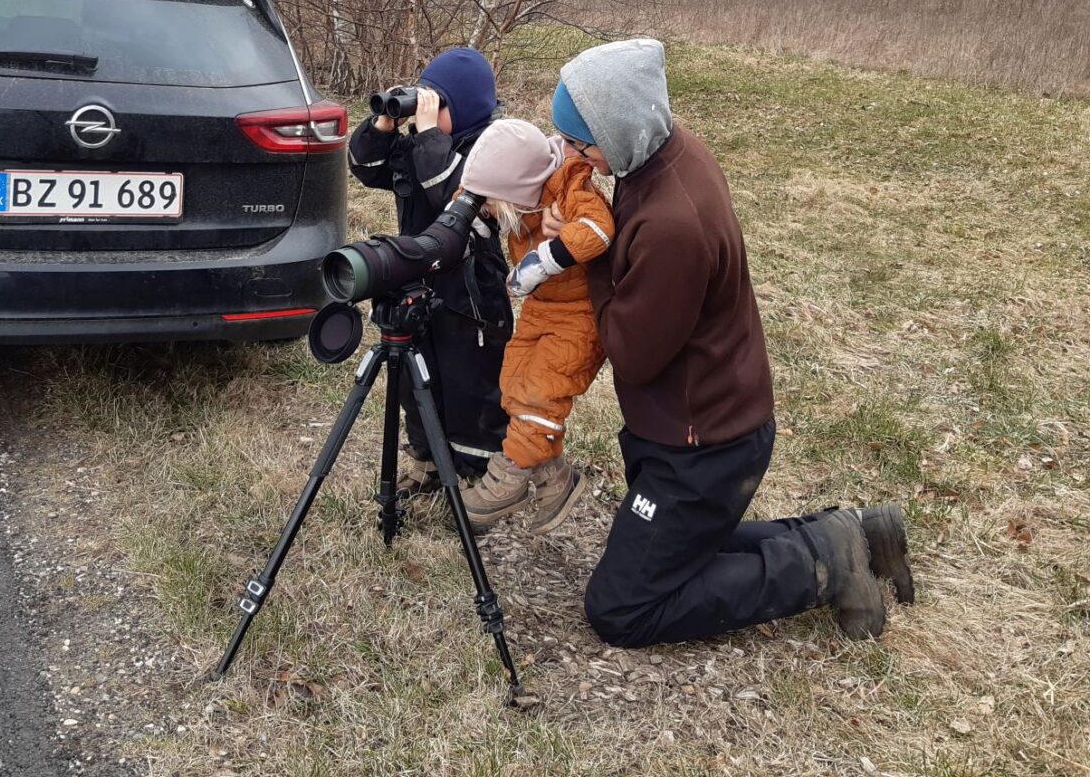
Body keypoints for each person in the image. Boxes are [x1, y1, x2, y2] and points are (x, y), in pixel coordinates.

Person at [544, 38, 915, 646]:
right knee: (672, 553)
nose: (572, 157)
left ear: (619, 130)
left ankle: (823, 569)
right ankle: (856, 533)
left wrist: (587, 257)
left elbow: (632, 355)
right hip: (708, 422)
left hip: (701, 449)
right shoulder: (666, 151)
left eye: (580, 143)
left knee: (622, 608)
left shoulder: (671, 227)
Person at [347, 48, 512, 491]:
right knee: (415, 370)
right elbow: (364, 167)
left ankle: (474, 471)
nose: (426, 113)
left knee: (470, 380)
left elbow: (453, 194)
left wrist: (426, 136)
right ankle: (426, 457)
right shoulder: (422, 145)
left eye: (437, 105)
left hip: (470, 287)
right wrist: (385, 123)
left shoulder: (488, 149)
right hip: (418, 274)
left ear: (462, 109)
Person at [454, 118, 614, 534]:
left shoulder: (570, 185)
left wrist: (543, 260)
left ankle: (507, 476)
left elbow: (598, 230)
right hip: (542, 307)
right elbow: (480, 189)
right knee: (514, 382)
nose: (489, 209)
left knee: (542, 396)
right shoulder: (515, 185)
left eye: (491, 202)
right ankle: (556, 480)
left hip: (579, 315)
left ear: (517, 191)